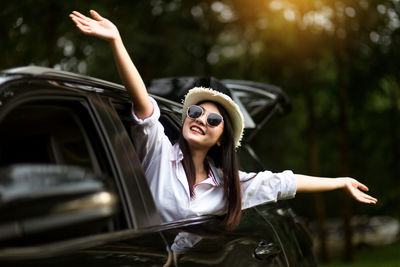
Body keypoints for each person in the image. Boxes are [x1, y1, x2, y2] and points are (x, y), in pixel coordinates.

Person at [69, 9, 377, 263]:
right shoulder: (158, 151)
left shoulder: (229, 186)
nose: (200, 119)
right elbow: (145, 106)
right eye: (195, 113)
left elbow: (285, 182)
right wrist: (116, 42)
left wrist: (342, 182)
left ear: (220, 139)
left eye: (213, 119)